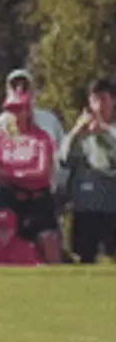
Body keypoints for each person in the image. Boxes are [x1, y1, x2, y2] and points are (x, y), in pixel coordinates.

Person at [0, 86, 61, 263]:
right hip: (9, 197)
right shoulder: (0, 137)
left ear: (28, 111)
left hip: (37, 198)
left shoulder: (41, 137)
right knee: (0, 230)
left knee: (48, 239)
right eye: (11, 109)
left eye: (19, 109)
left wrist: (12, 174)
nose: (14, 114)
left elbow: (43, 171)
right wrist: (21, 175)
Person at [58, 78, 116, 264]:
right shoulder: (82, 133)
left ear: (113, 101)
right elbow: (63, 159)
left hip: (111, 207)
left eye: (103, 100)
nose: (99, 106)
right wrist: (76, 132)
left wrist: (104, 134)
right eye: (94, 100)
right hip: (85, 208)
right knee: (84, 257)